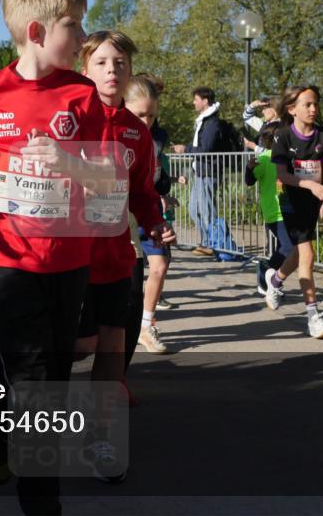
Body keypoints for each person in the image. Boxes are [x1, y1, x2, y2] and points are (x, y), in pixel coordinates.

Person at [0, 0, 110, 515]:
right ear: (38, 31)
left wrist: (67, 163)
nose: (83, 36)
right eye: (74, 26)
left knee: (54, 382)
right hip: (9, 262)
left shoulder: (81, 93)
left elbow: (108, 175)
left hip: (69, 260)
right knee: (35, 386)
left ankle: (2, 428)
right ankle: (43, 504)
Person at [75, 30, 174, 482]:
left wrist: (154, 220)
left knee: (113, 344)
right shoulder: (70, 114)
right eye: (101, 62)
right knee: (72, 346)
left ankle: (99, 433)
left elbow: (142, 192)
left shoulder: (136, 132)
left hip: (114, 253)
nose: (112, 70)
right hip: (64, 255)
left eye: (120, 63)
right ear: (84, 68)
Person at [263, 86, 323, 339]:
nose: (314, 109)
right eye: (307, 104)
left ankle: (274, 280)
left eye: (316, 103)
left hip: (315, 199)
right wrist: (310, 184)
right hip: (290, 198)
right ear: (291, 109)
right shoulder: (282, 136)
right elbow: (282, 175)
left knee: (298, 252)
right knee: (307, 252)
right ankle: (313, 315)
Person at [124, 75, 174, 354]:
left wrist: (163, 192)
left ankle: (146, 325)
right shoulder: (116, 130)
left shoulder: (157, 136)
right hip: (122, 214)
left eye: (151, 116)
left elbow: (157, 171)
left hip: (149, 207)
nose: (146, 122)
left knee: (161, 265)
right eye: (140, 114)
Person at [245, 122, 294, 297]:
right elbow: (250, 181)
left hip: (291, 209)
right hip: (275, 211)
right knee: (288, 248)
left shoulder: (290, 156)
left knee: (287, 246)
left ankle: (266, 270)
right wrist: (249, 169)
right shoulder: (264, 158)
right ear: (275, 139)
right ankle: (269, 274)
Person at [173, 87, 222, 256]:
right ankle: (206, 241)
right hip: (199, 172)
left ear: (205, 101)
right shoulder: (203, 121)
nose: (194, 102)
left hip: (208, 172)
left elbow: (206, 149)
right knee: (194, 209)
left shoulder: (212, 123)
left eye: (196, 99)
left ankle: (213, 244)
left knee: (207, 210)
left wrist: (185, 149)